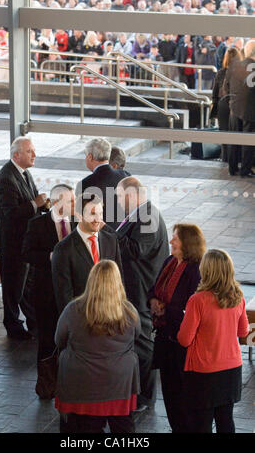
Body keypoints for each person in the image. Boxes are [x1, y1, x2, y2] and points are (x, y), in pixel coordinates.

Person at [55, 259, 141, 433]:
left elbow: (58, 340)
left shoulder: (73, 310)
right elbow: (136, 337)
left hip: (81, 384)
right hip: (119, 383)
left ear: (91, 281)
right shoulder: (130, 311)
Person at [177, 249, 249, 433]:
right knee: (226, 421)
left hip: (203, 372)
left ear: (207, 271)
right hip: (231, 369)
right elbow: (243, 332)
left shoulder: (197, 300)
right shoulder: (238, 296)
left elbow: (184, 340)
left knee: (201, 423)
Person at [116, 176, 169, 411]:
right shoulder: (140, 214)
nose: (118, 202)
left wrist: (107, 233)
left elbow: (137, 250)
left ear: (131, 195)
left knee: (144, 343)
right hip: (136, 289)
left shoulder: (148, 216)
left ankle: (145, 397)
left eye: (119, 197)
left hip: (142, 290)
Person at [148, 223, 206, 433]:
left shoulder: (196, 271)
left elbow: (194, 308)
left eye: (176, 238)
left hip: (184, 344)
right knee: (170, 393)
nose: (171, 241)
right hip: (165, 339)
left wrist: (167, 310)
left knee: (184, 395)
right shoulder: (169, 262)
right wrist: (153, 300)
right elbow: (153, 288)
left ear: (187, 244)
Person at [22, 184, 76, 399]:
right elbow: (26, 253)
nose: (73, 204)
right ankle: (46, 385)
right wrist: (49, 257)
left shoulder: (77, 220)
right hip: (46, 293)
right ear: (54, 203)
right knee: (47, 338)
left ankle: (69, 384)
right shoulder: (37, 224)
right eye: (69, 201)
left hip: (72, 293)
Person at [0, 136, 48, 340]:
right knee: (13, 287)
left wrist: (44, 205)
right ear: (16, 155)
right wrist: (35, 203)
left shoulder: (24, 173)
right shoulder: (6, 178)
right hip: (11, 243)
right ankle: (13, 327)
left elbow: (32, 199)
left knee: (25, 286)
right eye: (30, 151)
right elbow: (11, 213)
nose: (34, 155)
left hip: (24, 241)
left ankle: (33, 323)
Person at [51, 193, 123, 317]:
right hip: (82, 321)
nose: (98, 219)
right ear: (79, 215)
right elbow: (64, 296)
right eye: (92, 214)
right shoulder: (63, 249)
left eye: (100, 213)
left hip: (111, 317)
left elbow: (119, 280)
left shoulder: (111, 241)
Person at [75, 138, 128, 229]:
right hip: (124, 234)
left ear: (90, 157)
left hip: (101, 237)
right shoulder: (125, 175)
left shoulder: (85, 184)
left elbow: (82, 219)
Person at [223, 39, 255, 177]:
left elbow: (226, 87)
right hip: (251, 110)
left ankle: (232, 168)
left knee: (234, 139)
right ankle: (245, 170)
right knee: (248, 142)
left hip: (234, 109)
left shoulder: (234, 66)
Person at [210, 46, 242, 161]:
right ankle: (236, 160)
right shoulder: (241, 74)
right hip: (237, 107)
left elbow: (214, 94)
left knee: (224, 135)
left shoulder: (220, 73)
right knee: (237, 135)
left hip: (222, 107)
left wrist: (215, 107)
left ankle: (225, 159)